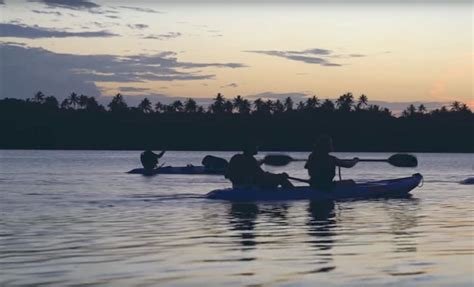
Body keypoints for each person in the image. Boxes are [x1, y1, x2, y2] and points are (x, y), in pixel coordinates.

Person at [225, 144, 293, 189]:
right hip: (251, 185)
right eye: (255, 147)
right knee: (282, 179)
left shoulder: (236, 157)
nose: (257, 148)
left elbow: (227, 174)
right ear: (250, 149)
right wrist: (280, 176)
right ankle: (292, 193)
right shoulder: (250, 160)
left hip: (237, 185)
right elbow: (261, 175)